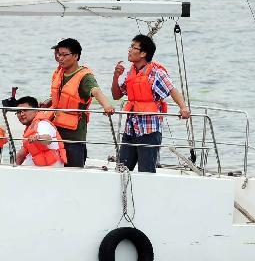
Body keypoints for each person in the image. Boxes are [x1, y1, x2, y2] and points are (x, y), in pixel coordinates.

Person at [112, 34, 192, 173]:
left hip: (149, 130)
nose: (129, 50)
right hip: (130, 129)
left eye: (133, 47)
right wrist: (116, 77)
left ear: (143, 53)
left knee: (146, 171)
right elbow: (117, 95)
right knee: (121, 170)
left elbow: (172, 89)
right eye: (130, 46)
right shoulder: (131, 71)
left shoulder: (156, 73)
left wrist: (183, 108)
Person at [44, 38, 115, 168]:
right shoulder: (59, 72)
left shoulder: (85, 76)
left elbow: (96, 91)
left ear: (76, 56)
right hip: (55, 133)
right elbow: (58, 95)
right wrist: (47, 103)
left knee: (74, 171)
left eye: (65, 55)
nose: (61, 58)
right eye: (59, 54)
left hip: (74, 136)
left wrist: (107, 106)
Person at [15, 96, 67, 167]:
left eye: (25, 110)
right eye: (18, 112)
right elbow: (21, 155)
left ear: (36, 110)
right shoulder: (29, 129)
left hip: (50, 170)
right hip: (38, 169)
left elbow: (47, 139)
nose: (21, 114)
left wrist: (38, 137)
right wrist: (13, 167)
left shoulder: (42, 124)